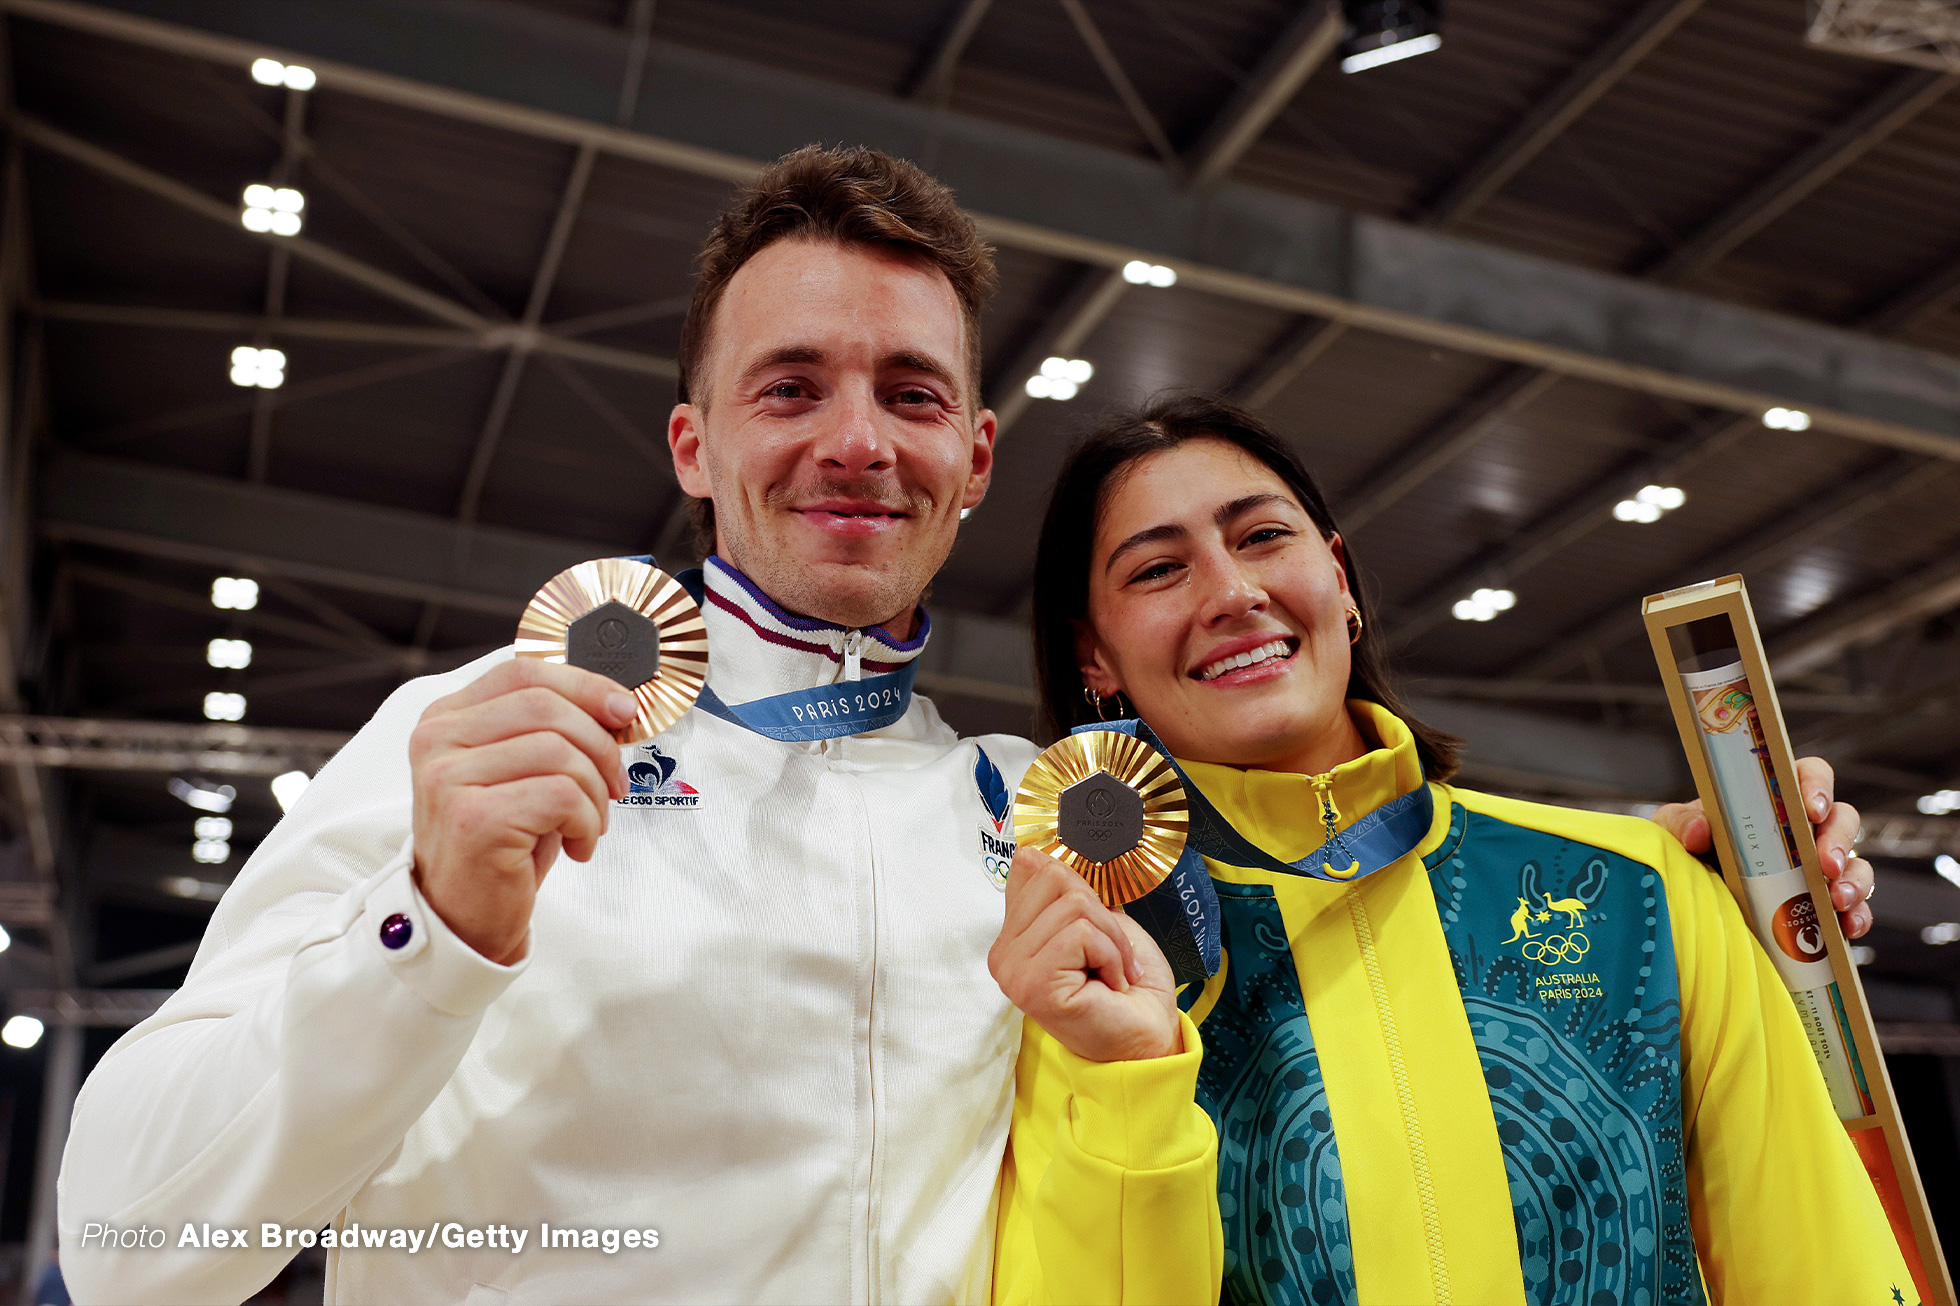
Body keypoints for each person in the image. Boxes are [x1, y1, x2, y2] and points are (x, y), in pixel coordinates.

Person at [57, 146, 1216, 1306]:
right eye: (789, 388)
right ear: (693, 446)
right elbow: (125, 1251)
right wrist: (425, 928)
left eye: (911, 394)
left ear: (971, 459)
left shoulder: (1019, 813)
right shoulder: (478, 734)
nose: (858, 441)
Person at [998, 392, 1908, 1306]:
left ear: (1340, 577)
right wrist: (1131, 1082)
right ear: (1095, 657)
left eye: (1265, 536)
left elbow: (1817, 1264)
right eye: (1158, 570)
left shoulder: (1640, 890)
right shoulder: (1094, 975)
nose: (1233, 593)